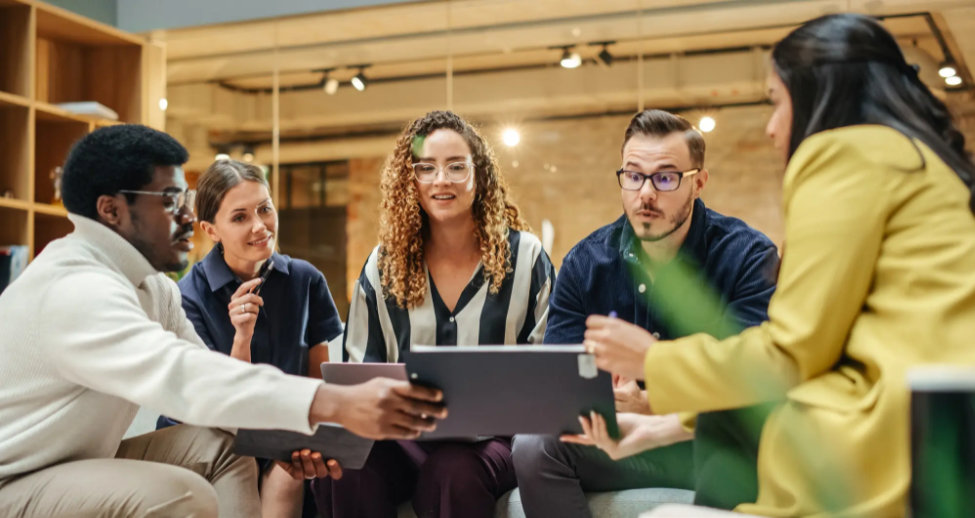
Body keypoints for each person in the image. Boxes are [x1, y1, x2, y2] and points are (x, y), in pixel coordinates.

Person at [579, 13, 975, 518]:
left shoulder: (841, 153)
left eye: (776, 101)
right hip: (955, 433)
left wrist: (651, 361)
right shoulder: (924, 162)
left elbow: (792, 354)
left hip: (890, 445)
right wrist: (668, 423)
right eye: (633, 176)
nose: (772, 126)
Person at [0, 125, 448, 518]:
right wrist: (335, 402)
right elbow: (185, 376)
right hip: (17, 478)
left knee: (227, 447)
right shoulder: (76, 289)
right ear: (111, 210)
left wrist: (290, 447)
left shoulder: (152, 288)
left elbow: (218, 387)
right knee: (179, 494)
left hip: (79, 459)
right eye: (172, 200)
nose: (188, 218)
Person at [512, 109, 779, 518]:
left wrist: (652, 403)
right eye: (634, 176)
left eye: (666, 178)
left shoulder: (747, 256)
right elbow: (560, 387)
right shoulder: (585, 263)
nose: (646, 194)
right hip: (614, 438)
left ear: (699, 183)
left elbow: (750, 381)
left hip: (704, 439)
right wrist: (609, 404)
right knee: (534, 445)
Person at [316, 110, 555, 518]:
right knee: (343, 467)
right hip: (404, 439)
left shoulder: (526, 256)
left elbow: (548, 366)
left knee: (452, 470)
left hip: (493, 442)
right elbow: (361, 369)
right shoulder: (383, 265)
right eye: (426, 168)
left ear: (478, 177)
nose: (441, 180)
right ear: (410, 180)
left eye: (456, 167)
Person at [155, 159, 344, 518]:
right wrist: (242, 337)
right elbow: (222, 406)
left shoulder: (306, 280)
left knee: (291, 473)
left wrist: (316, 439)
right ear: (211, 230)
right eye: (240, 217)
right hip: (211, 438)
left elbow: (316, 381)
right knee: (243, 459)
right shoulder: (187, 298)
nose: (260, 226)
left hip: (280, 435)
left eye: (264, 209)